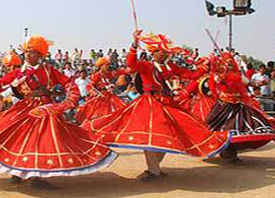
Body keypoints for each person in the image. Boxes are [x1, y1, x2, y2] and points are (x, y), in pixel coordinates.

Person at [0, 35, 117, 190]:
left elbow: (68, 83)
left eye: (31, 52)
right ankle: (18, 172)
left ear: (40, 54)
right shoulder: (19, 73)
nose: (27, 55)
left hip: (46, 108)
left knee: (41, 141)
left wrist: (70, 100)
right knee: (17, 137)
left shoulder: (48, 70)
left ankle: (36, 176)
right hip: (25, 107)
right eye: (26, 52)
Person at [81, 31, 229, 182]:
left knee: (171, 134)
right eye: (163, 52)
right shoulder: (146, 66)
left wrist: (206, 66)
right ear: (155, 53)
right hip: (148, 105)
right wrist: (134, 44)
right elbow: (131, 63)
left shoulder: (170, 67)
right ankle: (154, 170)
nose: (166, 54)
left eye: (166, 52)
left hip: (167, 104)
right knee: (149, 137)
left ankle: (154, 168)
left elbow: (191, 75)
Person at [206, 53, 275, 163]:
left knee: (237, 129)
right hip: (223, 106)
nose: (229, 64)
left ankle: (231, 154)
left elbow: (250, 83)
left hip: (237, 106)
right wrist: (219, 73)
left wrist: (260, 83)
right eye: (227, 62)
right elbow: (215, 80)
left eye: (231, 62)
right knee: (215, 128)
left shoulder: (238, 75)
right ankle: (221, 151)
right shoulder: (219, 75)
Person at [75, 57, 125, 123]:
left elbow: (118, 73)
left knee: (121, 107)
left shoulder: (108, 74)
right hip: (100, 98)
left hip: (109, 96)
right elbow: (89, 86)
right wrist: (95, 93)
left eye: (108, 65)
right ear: (101, 66)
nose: (108, 67)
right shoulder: (96, 75)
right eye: (106, 65)